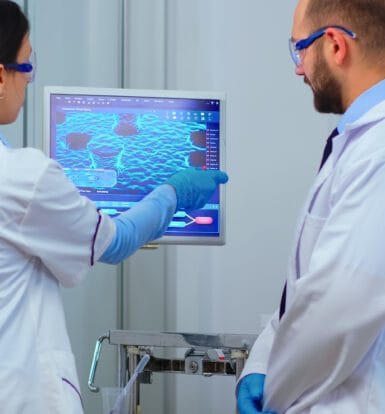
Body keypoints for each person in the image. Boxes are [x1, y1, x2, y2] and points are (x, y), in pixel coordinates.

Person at [0, 1, 228, 413]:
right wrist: (172, 193)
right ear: (0, 76)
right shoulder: (20, 178)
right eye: (26, 65)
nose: (30, 80)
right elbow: (115, 241)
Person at [237, 0, 385, 413]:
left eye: (299, 48)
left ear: (336, 46)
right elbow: (306, 287)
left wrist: (276, 393)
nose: (298, 68)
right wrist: (261, 363)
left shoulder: (379, 150)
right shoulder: (357, 140)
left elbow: (339, 303)